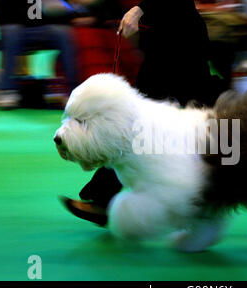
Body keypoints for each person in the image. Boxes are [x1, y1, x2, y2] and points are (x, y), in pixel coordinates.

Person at [62, 0, 226, 225]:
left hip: (179, 35)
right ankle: (103, 198)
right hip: (167, 33)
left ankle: (103, 198)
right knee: (205, 112)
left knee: (201, 113)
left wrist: (140, 9)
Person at [0, 0, 78, 108]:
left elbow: (65, 14)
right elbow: (5, 19)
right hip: (16, 28)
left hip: (44, 28)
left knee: (63, 32)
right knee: (11, 32)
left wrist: (57, 8)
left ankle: (72, 92)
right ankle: (7, 90)